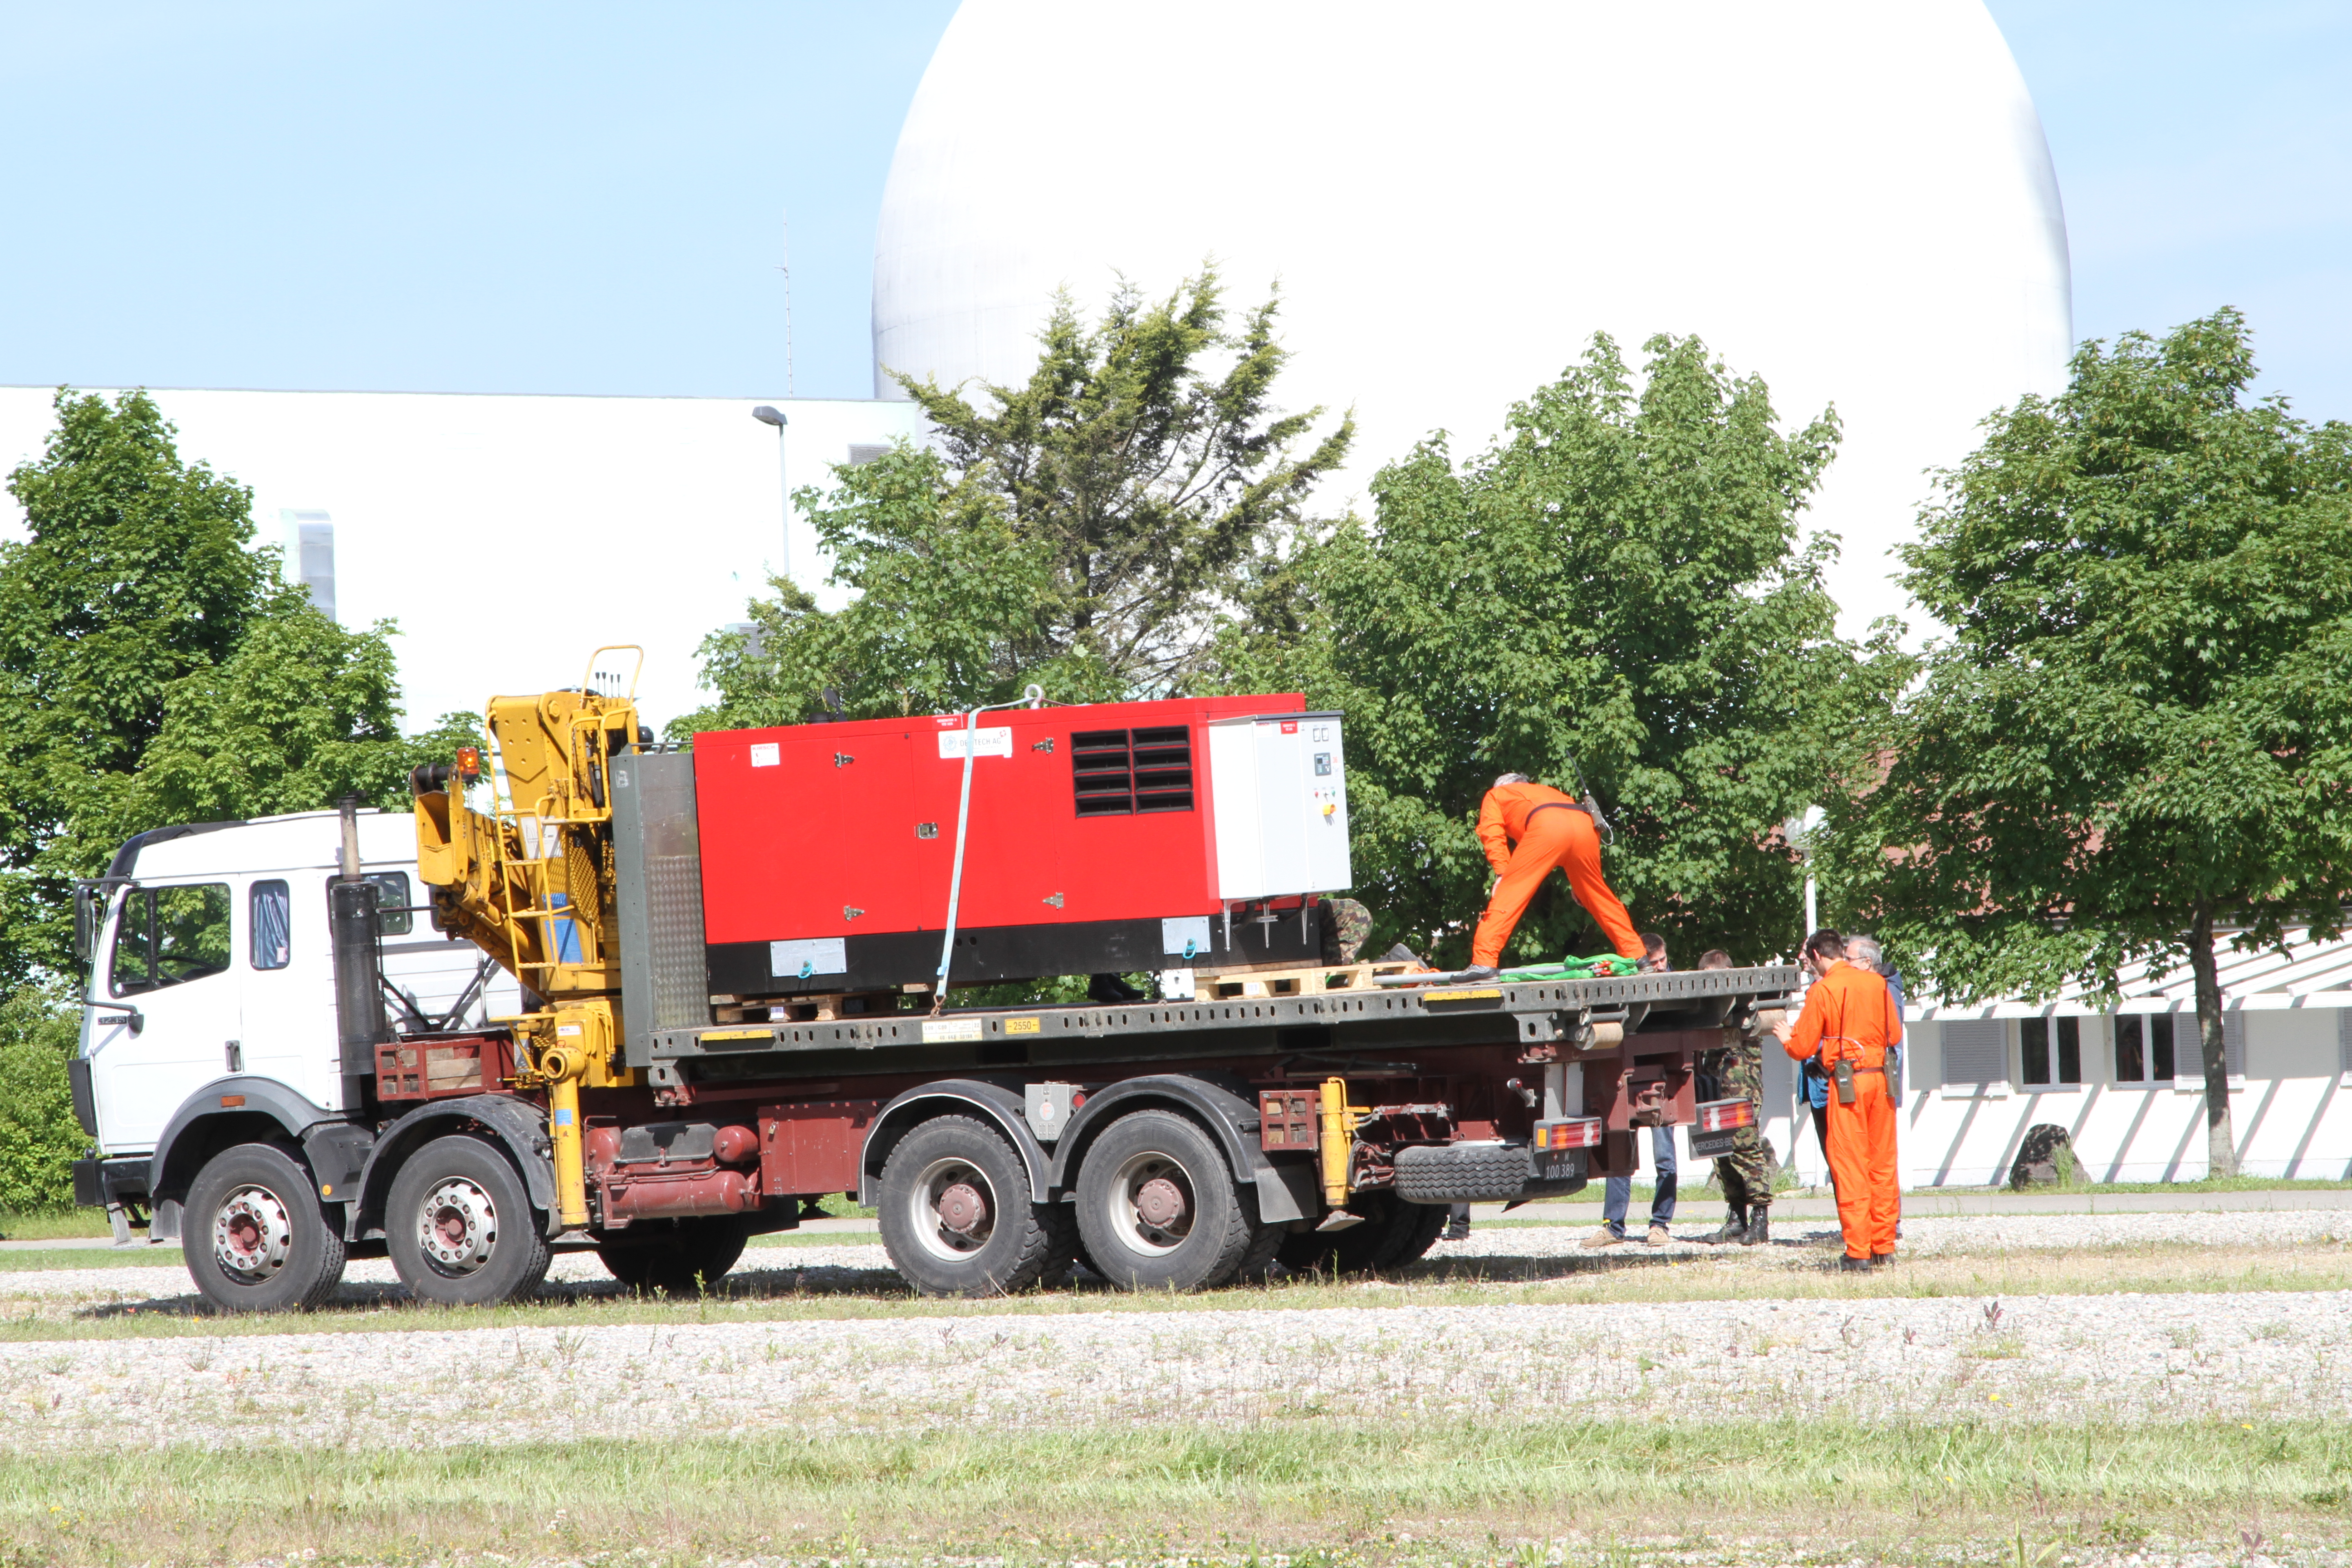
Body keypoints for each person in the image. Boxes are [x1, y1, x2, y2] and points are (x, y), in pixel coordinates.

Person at [1774, 927, 1901, 1270]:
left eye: (1807, 958)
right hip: (1882, 1082)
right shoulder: (1877, 984)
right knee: (1882, 1164)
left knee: (1850, 1166)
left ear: (1817, 956)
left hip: (1848, 1084)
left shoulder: (1824, 989)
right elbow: (1895, 1034)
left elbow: (1802, 1048)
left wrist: (1787, 1037)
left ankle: (1857, 1252)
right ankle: (1883, 1247)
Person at [1463, 773, 1642, 981]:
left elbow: (1491, 832)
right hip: (1585, 825)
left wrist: (1502, 871)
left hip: (1547, 825)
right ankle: (1637, 955)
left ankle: (1483, 963)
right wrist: (1580, 882)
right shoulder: (1549, 791)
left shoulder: (1496, 794)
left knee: (1509, 896)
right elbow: (1568, 831)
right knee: (1598, 895)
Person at [1584, 1122, 1678, 1248]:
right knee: (1619, 1161)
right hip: (1626, 1103)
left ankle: (1660, 1225)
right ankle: (1613, 1227)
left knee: (1665, 1159)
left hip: (1660, 1103)